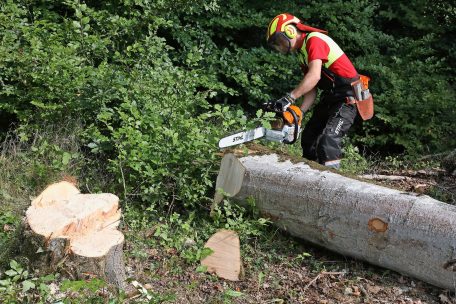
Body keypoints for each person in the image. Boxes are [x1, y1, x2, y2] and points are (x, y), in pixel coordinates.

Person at [266, 13, 366, 169]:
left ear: (290, 31)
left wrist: (289, 98)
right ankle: (310, 178)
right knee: (308, 138)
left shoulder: (314, 40)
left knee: (328, 140)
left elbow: (314, 76)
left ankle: (331, 182)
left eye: (279, 41)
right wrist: (300, 112)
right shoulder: (302, 54)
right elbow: (311, 89)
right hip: (331, 97)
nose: (280, 46)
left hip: (348, 97)